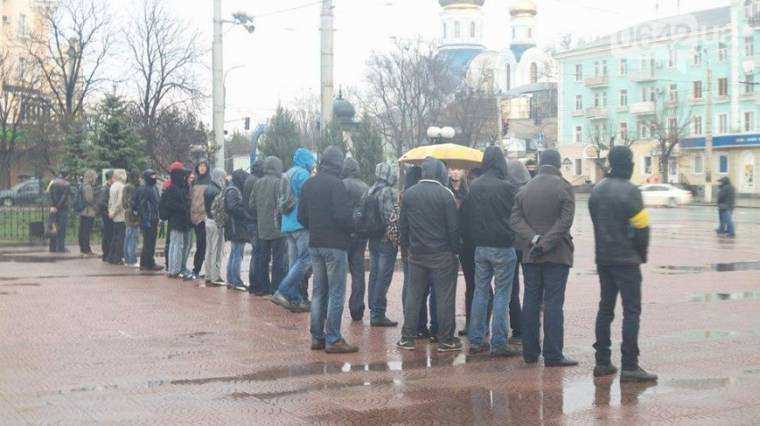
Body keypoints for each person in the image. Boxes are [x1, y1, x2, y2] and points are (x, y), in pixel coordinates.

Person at [589, 146, 657, 383]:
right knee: (631, 311)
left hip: (604, 259)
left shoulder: (597, 190)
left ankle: (602, 362)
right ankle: (630, 365)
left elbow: (597, 222)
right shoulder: (631, 191)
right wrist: (641, 254)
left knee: (605, 309)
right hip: (627, 261)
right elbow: (642, 228)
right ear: (628, 163)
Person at [510, 149, 577, 367]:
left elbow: (515, 220)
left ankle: (530, 353)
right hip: (557, 254)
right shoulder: (564, 187)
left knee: (530, 301)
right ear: (558, 165)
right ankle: (553, 354)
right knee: (553, 304)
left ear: (540, 163)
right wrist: (545, 244)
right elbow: (565, 222)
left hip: (530, 254)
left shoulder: (525, 188)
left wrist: (535, 239)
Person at [397, 157, 461, 352]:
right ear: (439, 172)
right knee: (444, 297)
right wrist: (455, 250)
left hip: (416, 254)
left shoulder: (409, 194)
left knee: (413, 296)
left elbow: (402, 226)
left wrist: (407, 247)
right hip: (442, 254)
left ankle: (407, 338)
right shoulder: (446, 194)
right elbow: (453, 228)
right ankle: (445, 340)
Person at [298, 146, 357, 354]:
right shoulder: (336, 185)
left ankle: (317, 337)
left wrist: (315, 227)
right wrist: (352, 229)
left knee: (318, 291)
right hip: (335, 245)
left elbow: (301, 216)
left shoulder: (309, 183)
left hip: (315, 243)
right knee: (336, 291)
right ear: (338, 164)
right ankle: (333, 338)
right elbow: (343, 217)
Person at [462, 147, 519, 356]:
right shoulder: (508, 187)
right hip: (503, 246)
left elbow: (468, 215)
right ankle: (499, 342)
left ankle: (476, 340)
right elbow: (515, 215)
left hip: (481, 247)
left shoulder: (475, 186)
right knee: (502, 294)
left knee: (480, 292)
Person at [272, 148, 316, 313]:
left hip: (287, 223)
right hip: (300, 224)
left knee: (294, 263)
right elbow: (309, 197)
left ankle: (295, 299)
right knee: (305, 260)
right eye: (311, 160)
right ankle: (282, 290)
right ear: (306, 160)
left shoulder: (287, 173)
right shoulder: (302, 175)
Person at [400, 166, 437, 340]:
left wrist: (404, 244)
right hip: (424, 248)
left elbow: (402, 225)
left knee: (410, 287)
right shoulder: (421, 195)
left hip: (409, 248)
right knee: (422, 289)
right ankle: (420, 325)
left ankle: (412, 325)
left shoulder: (406, 195)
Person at [367, 161, 400, 327]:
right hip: (385, 241)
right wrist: (396, 239)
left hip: (372, 239)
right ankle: (378, 313)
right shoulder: (388, 192)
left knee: (374, 275)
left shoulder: (371, 189)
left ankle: (372, 308)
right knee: (383, 277)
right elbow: (391, 218)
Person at [249, 156, 287, 296]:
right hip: (278, 228)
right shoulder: (279, 183)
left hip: (262, 227)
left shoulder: (258, 183)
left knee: (263, 259)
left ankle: (263, 287)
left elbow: (252, 204)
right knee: (278, 260)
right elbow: (282, 204)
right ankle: (276, 288)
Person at [340, 157, 370, 321]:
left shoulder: (341, 185)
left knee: (339, 273)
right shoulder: (365, 187)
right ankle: (357, 308)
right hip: (360, 235)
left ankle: (334, 307)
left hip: (344, 234)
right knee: (358, 273)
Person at [506, 159, 532, 343]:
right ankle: (530, 327)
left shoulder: (504, 191)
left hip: (509, 244)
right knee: (531, 288)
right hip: (528, 245)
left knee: (511, 288)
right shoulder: (531, 192)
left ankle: (517, 328)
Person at [451, 168, 476, 337]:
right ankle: (474, 323)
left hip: (468, 246)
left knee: (474, 286)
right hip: (468, 246)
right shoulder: (449, 193)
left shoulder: (468, 197)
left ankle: (473, 323)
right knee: (475, 285)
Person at [161, 167, 192, 278]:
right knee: (177, 245)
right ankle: (175, 269)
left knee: (174, 245)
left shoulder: (171, 188)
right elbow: (176, 205)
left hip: (173, 220)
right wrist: (183, 207)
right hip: (178, 220)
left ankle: (172, 268)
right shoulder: (175, 190)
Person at [225, 169, 252, 291]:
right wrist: (245, 211)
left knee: (234, 253)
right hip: (237, 226)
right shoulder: (234, 190)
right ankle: (235, 280)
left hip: (234, 226)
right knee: (237, 254)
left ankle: (231, 279)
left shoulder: (232, 188)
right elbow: (233, 207)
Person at [133, 169, 162, 271]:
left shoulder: (154, 188)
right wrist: (144, 217)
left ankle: (147, 262)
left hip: (153, 218)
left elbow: (157, 203)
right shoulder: (144, 189)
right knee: (148, 242)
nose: (154, 178)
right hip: (148, 219)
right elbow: (138, 205)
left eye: (154, 176)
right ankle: (148, 263)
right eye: (152, 176)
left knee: (150, 241)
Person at [203, 169, 227, 286]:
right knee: (217, 250)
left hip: (208, 220)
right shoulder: (218, 191)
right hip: (217, 223)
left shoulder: (208, 188)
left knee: (209, 249)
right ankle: (215, 276)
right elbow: (221, 209)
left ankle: (208, 274)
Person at [244, 159, 265, 287]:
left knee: (255, 252)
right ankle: (256, 282)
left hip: (249, 220)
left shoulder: (249, 180)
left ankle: (253, 282)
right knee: (258, 253)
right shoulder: (256, 181)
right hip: (255, 220)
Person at [189, 160, 211, 279]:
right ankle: (196, 268)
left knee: (207, 245)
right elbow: (190, 198)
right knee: (200, 244)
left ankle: (206, 269)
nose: (202, 168)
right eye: (200, 166)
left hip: (206, 217)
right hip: (196, 217)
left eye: (204, 166)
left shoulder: (210, 181)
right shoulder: (194, 181)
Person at [48, 169, 71, 253]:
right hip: (62, 209)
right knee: (62, 228)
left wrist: (53, 206)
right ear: (67, 175)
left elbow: (49, 194)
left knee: (53, 226)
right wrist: (58, 206)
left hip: (53, 209)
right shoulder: (67, 184)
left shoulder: (52, 182)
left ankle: (52, 247)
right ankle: (61, 247)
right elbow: (64, 197)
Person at [107, 170, 127, 265]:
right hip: (120, 216)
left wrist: (110, 212)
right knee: (120, 238)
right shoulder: (122, 187)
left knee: (114, 237)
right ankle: (117, 258)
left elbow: (110, 201)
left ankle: (111, 256)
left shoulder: (113, 186)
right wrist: (114, 212)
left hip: (113, 216)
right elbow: (120, 203)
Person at [123, 171, 141, 267]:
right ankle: (132, 260)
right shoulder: (132, 188)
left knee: (128, 237)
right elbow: (133, 202)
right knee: (133, 237)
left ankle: (126, 258)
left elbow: (124, 202)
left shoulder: (126, 186)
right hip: (133, 214)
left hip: (127, 213)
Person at [78, 170, 98, 255]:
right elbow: (89, 199)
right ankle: (87, 249)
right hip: (88, 212)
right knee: (86, 231)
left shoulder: (82, 185)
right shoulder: (88, 187)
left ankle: (83, 249)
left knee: (82, 231)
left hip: (82, 211)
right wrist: (96, 205)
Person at [99, 171, 115, 261]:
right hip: (106, 216)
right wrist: (109, 211)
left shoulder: (109, 188)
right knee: (107, 235)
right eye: (114, 177)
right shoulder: (105, 189)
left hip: (108, 214)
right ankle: (106, 254)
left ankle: (107, 254)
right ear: (110, 178)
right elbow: (102, 203)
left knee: (108, 235)